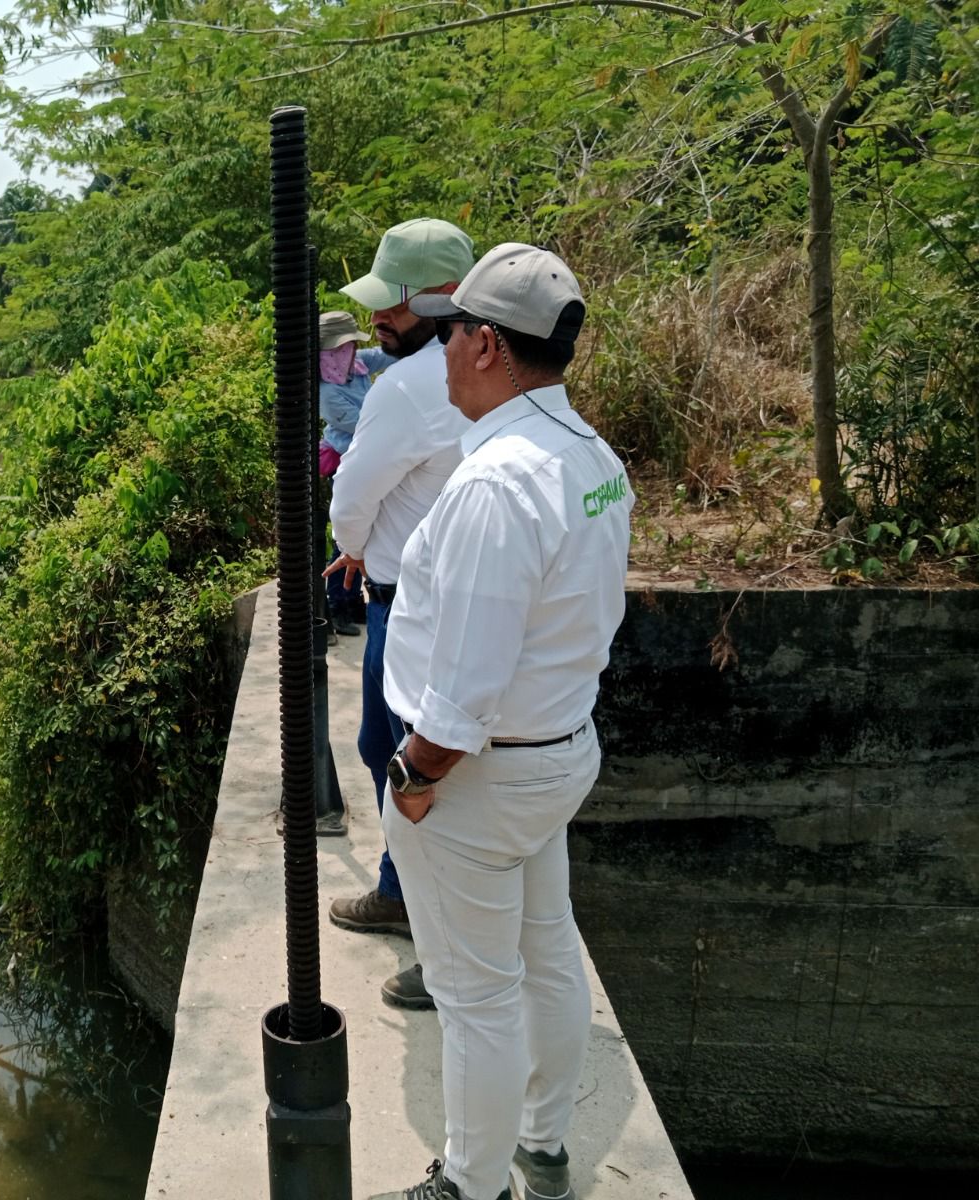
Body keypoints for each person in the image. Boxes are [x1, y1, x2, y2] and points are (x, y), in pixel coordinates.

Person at [372, 244, 633, 1200]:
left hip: (480, 776)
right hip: (557, 752)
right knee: (548, 948)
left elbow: (466, 688)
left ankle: (469, 1187)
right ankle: (545, 1145)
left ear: (484, 343)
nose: (438, 356)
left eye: (446, 337)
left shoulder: (495, 484)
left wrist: (414, 773)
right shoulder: (592, 459)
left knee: (475, 996)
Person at [322, 218, 475, 1010]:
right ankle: (396, 888)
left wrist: (355, 545)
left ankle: (433, 936)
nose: (378, 320)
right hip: (465, 602)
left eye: (390, 307)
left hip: (406, 605)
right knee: (412, 757)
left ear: (438, 299)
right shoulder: (497, 374)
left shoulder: (408, 389)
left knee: (405, 762)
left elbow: (352, 497)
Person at [317, 310, 395, 635]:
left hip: (369, 459)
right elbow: (366, 424)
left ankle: (354, 603)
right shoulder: (328, 393)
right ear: (332, 352)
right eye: (346, 346)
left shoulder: (355, 365)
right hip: (348, 463)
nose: (352, 351)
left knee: (365, 534)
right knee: (345, 539)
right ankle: (338, 607)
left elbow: (383, 356)